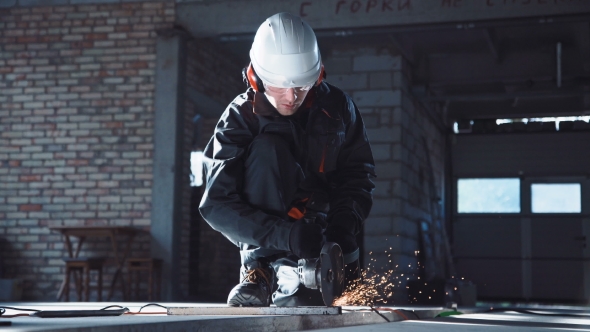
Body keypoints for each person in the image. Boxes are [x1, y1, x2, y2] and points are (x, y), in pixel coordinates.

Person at [199, 12, 375, 307]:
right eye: (280, 86)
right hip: (271, 234)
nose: (292, 97)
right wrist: (285, 235)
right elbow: (216, 204)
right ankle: (260, 271)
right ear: (256, 78)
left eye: (302, 85)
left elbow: (359, 174)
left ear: (318, 76)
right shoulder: (239, 118)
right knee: (267, 148)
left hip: (326, 228)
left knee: (342, 309)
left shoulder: (338, 108)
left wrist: (344, 226)